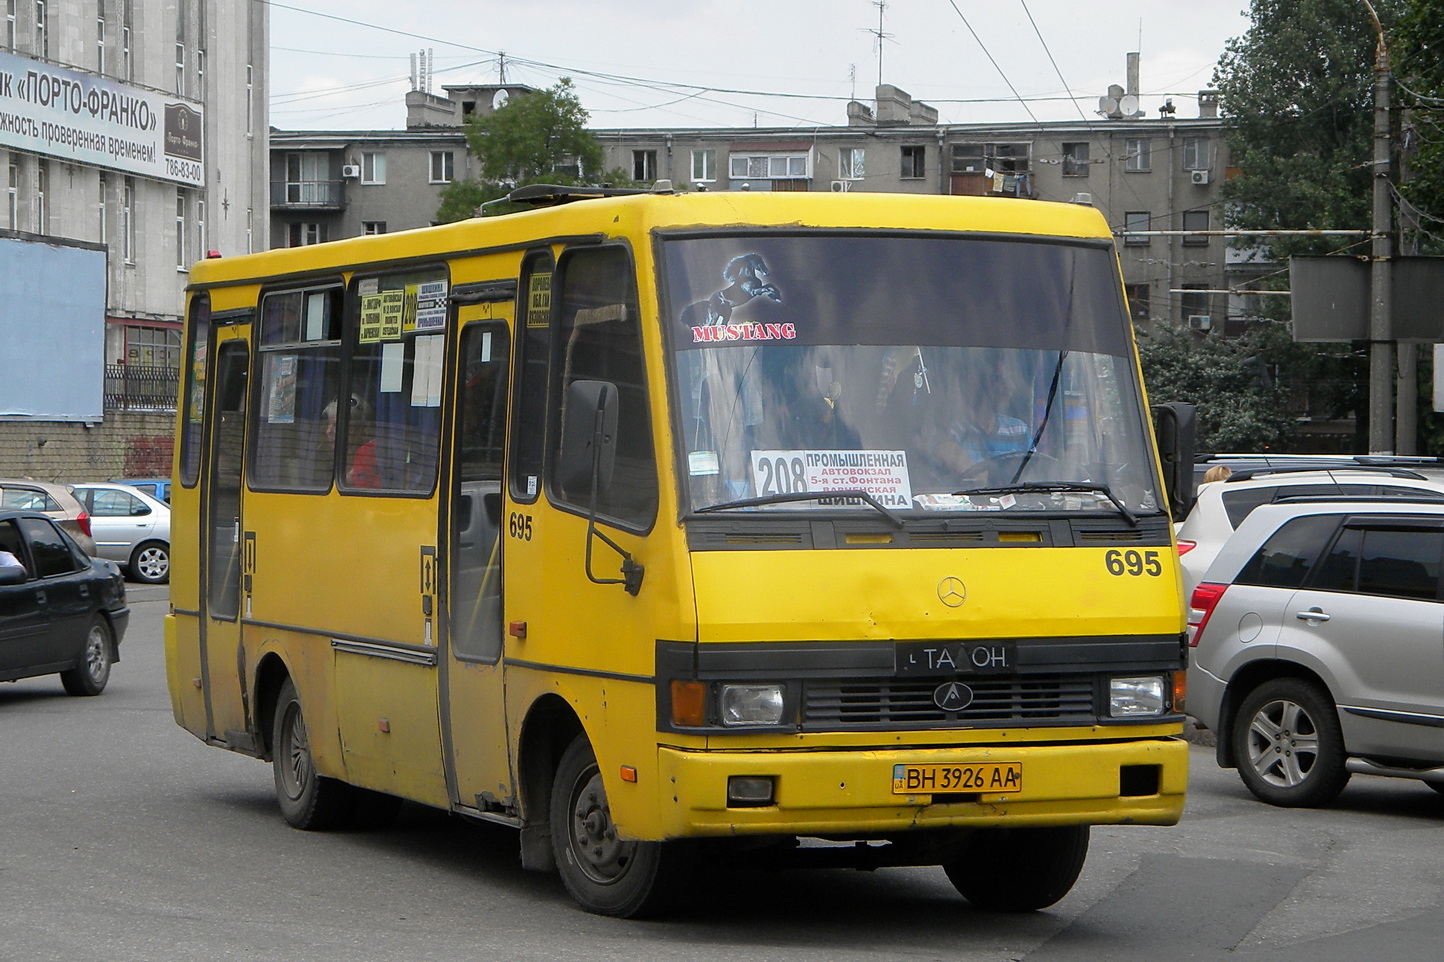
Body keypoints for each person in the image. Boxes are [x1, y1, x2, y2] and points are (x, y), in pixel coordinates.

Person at [932, 366, 1030, 476]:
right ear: (978, 385)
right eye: (1001, 379)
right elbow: (948, 457)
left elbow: (1038, 472)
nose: (1011, 387)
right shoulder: (954, 430)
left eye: (1011, 380)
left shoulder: (1019, 430)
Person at [324, 394, 382, 488]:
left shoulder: (372, 458)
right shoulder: (320, 456)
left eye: (336, 425)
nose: (329, 431)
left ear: (360, 429)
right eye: (328, 424)